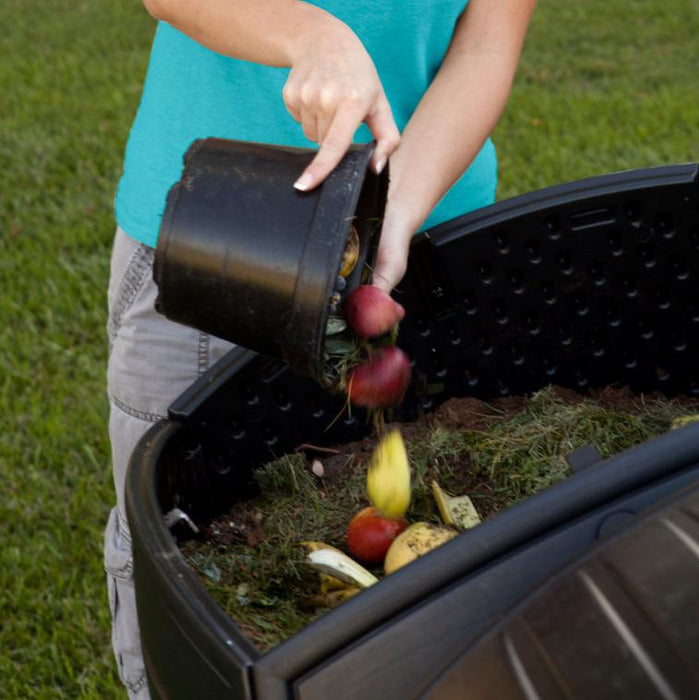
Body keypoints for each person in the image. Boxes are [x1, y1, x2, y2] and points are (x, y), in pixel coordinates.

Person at [105, 0, 536, 696]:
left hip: (426, 222)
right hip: (217, 236)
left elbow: (487, 39)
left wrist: (388, 214)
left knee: (432, 553)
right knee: (178, 551)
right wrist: (312, 36)